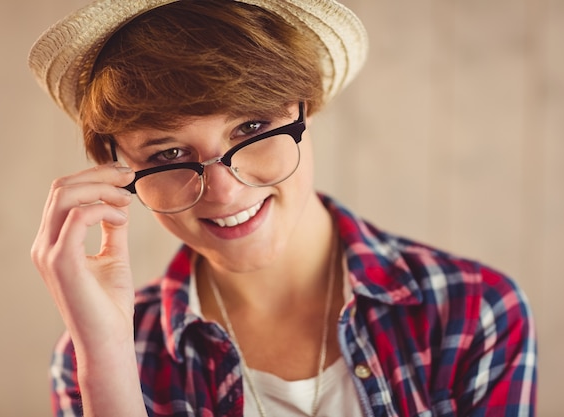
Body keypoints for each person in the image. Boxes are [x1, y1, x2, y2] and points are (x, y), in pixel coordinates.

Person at [28, 0, 537, 416]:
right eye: (167, 154)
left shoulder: (473, 313)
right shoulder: (97, 356)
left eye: (251, 130)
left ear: (305, 110)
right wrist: (107, 358)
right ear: (117, 172)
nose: (223, 192)